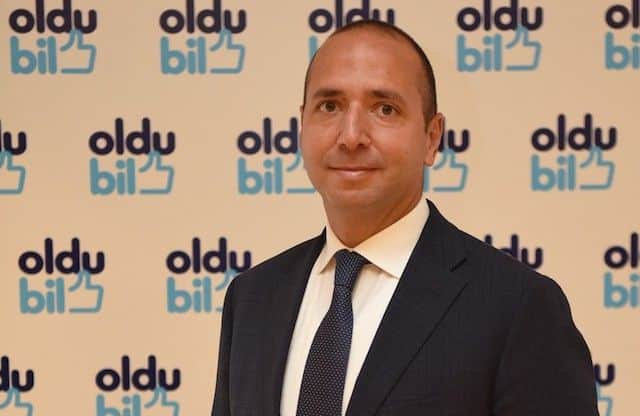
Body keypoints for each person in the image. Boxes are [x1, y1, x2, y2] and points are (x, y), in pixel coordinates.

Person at [211, 20, 598, 416]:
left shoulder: (518, 307)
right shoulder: (252, 299)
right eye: (329, 106)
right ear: (301, 124)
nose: (351, 136)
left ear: (432, 137)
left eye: (385, 109)